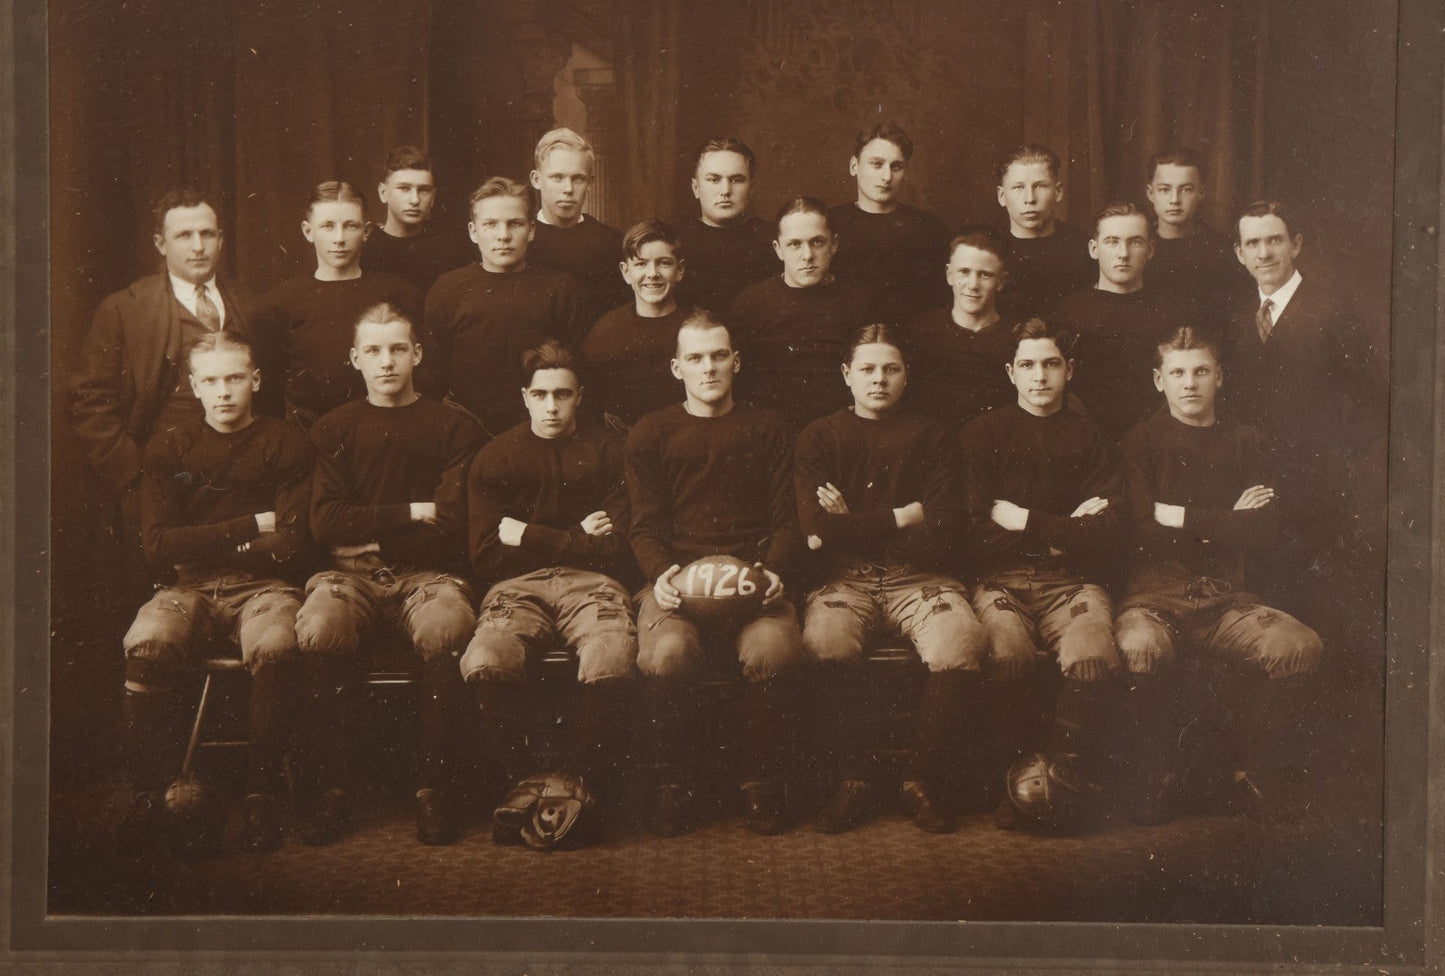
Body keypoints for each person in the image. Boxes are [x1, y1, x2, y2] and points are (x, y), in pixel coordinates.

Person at [292, 303, 486, 846]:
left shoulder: (454, 426)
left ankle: (435, 789)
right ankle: (332, 791)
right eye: (373, 351)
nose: (386, 361)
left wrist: (371, 536)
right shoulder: (334, 428)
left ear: (417, 354)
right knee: (321, 624)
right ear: (355, 358)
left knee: (446, 627)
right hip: (347, 578)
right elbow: (325, 522)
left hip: (430, 574)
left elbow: (452, 528)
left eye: (398, 349)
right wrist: (410, 511)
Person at [1114, 328, 1323, 823]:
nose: (1190, 384)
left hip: (1227, 598)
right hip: (1153, 597)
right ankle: (1155, 779)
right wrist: (1227, 521)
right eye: (1178, 373)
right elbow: (1141, 531)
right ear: (1158, 380)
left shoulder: (1247, 441)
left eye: (1201, 371)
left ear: (1220, 377)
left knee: (1300, 646)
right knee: (1142, 646)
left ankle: (1247, 774)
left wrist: (1181, 516)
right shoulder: (1139, 441)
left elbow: (1266, 528)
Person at [119, 331, 312, 854]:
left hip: (266, 587)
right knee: (149, 638)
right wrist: (251, 523)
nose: (223, 391)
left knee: (276, 643)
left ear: (255, 380)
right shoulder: (170, 446)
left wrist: (203, 544)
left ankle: (261, 792)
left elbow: (291, 542)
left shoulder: (286, 440)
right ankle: (156, 789)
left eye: (233, 378)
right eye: (211, 381)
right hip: (188, 588)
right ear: (193, 386)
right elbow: (157, 546)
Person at [796, 325, 987, 833]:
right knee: (825, 640)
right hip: (846, 578)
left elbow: (945, 529)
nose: (878, 379)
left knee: (960, 639)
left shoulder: (932, 434)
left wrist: (851, 522)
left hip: (919, 577)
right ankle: (852, 780)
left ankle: (919, 781)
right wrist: (903, 515)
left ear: (906, 376)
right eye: (867, 369)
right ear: (846, 375)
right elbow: (815, 532)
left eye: (890, 369)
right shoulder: (819, 436)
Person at [625, 312, 805, 837]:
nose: (709, 368)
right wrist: (660, 575)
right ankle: (674, 783)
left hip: (753, 574)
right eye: (697, 358)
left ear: (736, 361)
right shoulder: (652, 431)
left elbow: (786, 520)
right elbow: (643, 526)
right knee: (667, 654)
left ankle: (760, 783)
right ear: (677, 367)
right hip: (679, 578)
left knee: (774, 650)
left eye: (719, 356)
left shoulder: (768, 427)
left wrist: (773, 572)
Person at [462, 342, 636, 840]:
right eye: (541, 395)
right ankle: (523, 783)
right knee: (486, 657)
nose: (552, 406)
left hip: (596, 584)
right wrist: (579, 537)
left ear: (580, 395)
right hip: (516, 586)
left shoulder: (609, 451)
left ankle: (574, 786)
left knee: (611, 654)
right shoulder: (495, 456)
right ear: (525, 397)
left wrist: (529, 533)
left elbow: (619, 550)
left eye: (563, 394)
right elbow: (486, 556)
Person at [959, 318, 1125, 832]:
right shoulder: (982, 434)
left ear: (1069, 370)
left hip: (1072, 580)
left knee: (1092, 654)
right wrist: (1067, 525)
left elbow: (1108, 533)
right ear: (1010, 372)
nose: (1039, 376)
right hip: (1000, 580)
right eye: (1027, 365)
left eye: (1051, 364)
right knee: (1006, 654)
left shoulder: (1091, 435)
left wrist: (1026, 520)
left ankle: (1057, 782)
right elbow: (972, 534)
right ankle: (1012, 786)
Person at [70, 189, 263, 567]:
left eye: (207, 234)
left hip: (239, 478)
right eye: (183, 236)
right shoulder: (124, 309)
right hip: (160, 482)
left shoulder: (250, 303)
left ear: (221, 239)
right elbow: (90, 401)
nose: (198, 246)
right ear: (160, 243)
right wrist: (135, 477)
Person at [1225, 201, 1384, 635]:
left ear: (1295, 245)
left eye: (1274, 240)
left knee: (1316, 608)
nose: (1264, 253)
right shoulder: (1238, 320)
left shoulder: (1334, 312)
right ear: (1239, 254)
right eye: (1252, 243)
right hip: (1256, 483)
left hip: (1321, 488)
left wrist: (1340, 464)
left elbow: (1371, 400)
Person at [251, 181, 423, 427]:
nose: (339, 238)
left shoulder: (401, 295)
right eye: (328, 226)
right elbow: (268, 397)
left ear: (366, 231)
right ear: (308, 231)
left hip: (390, 428)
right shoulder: (278, 304)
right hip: (310, 437)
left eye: (350, 226)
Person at [424, 177, 581, 436]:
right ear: (473, 231)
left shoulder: (561, 290)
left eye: (515, 224)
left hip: (541, 428)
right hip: (467, 426)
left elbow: (574, 369)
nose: (504, 235)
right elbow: (432, 373)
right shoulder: (448, 289)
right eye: (491, 224)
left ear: (531, 230)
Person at [729, 197, 873, 430]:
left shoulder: (861, 302)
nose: (807, 255)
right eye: (795, 244)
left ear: (834, 245)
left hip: (842, 430)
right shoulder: (751, 304)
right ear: (778, 249)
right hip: (770, 430)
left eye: (817, 242)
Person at [1053, 202, 1182, 442]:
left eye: (1135, 242)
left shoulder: (1173, 312)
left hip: (1157, 439)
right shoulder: (1068, 312)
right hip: (1083, 439)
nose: (1123, 253)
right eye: (1112, 241)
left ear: (1150, 249)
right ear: (1094, 248)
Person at [828, 121, 950, 321]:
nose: (886, 177)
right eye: (877, 164)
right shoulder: (829, 224)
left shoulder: (930, 229)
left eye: (897, 167)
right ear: (854, 166)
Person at [580, 219, 693, 426]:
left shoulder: (697, 329)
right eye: (641, 264)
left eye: (664, 263)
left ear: (680, 270)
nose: (652, 274)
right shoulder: (605, 332)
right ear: (625, 272)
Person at [906, 228, 1020, 427]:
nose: (973, 284)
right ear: (949, 275)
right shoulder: (920, 329)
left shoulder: (1017, 336)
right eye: (964, 272)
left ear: (1001, 281)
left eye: (984, 275)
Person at [527, 127, 630, 328]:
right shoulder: (520, 241)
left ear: (590, 182)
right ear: (536, 180)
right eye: (557, 177)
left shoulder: (612, 243)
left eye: (578, 178)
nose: (568, 189)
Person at [1143, 148, 1253, 328]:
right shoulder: (1136, 248)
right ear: (1150, 193)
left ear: (1201, 192)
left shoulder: (1222, 251)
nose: (1175, 200)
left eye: (1186, 189)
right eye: (1164, 189)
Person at [674, 138, 777, 313]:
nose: (725, 191)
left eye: (737, 180)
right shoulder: (674, 243)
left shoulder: (775, 239)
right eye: (714, 180)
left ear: (751, 188)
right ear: (696, 188)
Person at [993, 145, 1095, 321]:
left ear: (1058, 191)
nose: (1030, 199)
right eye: (1018, 187)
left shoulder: (1081, 246)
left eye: (1040, 186)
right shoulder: (990, 249)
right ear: (1002, 196)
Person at [361, 145, 472, 295]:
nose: (415, 200)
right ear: (383, 193)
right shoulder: (366, 251)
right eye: (404, 189)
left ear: (432, 198)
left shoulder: (450, 252)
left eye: (424, 190)